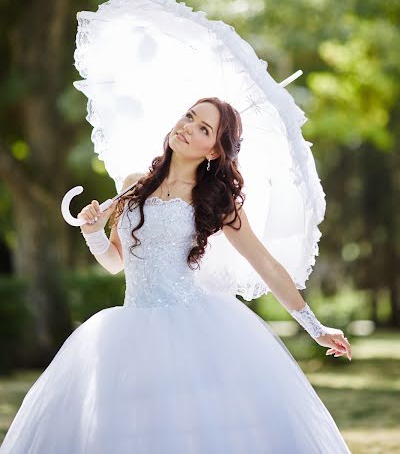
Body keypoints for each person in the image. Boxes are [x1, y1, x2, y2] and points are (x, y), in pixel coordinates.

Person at [0, 97, 352, 453]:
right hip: (129, 325)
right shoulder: (134, 184)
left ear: (214, 150)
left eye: (204, 129)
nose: (188, 128)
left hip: (190, 328)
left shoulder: (215, 200)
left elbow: (267, 265)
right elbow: (116, 261)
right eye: (189, 117)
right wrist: (92, 232)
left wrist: (315, 327)